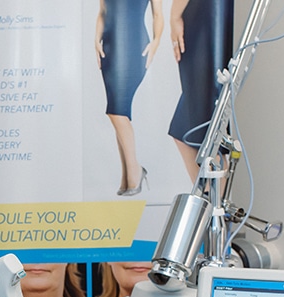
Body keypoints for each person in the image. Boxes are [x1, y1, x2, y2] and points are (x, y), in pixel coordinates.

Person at [95, 0, 163, 196]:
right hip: (109, 47)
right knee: (119, 110)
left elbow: (157, 15)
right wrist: (96, 40)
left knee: (117, 111)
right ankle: (127, 176)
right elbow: (102, 12)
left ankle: (135, 170)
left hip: (134, 44)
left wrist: (156, 42)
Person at [168, 0, 234, 182]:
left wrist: (174, 16)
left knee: (205, 130)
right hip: (205, 15)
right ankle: (209, 203)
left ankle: (213, 205)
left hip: (205, 16)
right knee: (187, 130)